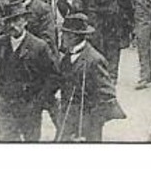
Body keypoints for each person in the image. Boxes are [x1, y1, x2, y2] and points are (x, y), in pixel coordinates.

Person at [0, 0, 59, 141]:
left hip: (30, 108)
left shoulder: (39, 47)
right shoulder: (0, 44)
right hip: (6, 107)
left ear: (25, 21)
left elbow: (53, 77)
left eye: (17, 20)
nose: (13, 25)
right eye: (9, 21)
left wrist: (38, 101)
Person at [52, 12, 126, 141]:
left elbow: (107, 96)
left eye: (64, 34)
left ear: (73, 36)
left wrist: (92, 122)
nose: (62, 37)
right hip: (67, 119)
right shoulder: (66, 58)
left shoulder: (94, 60)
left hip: (87, 124)